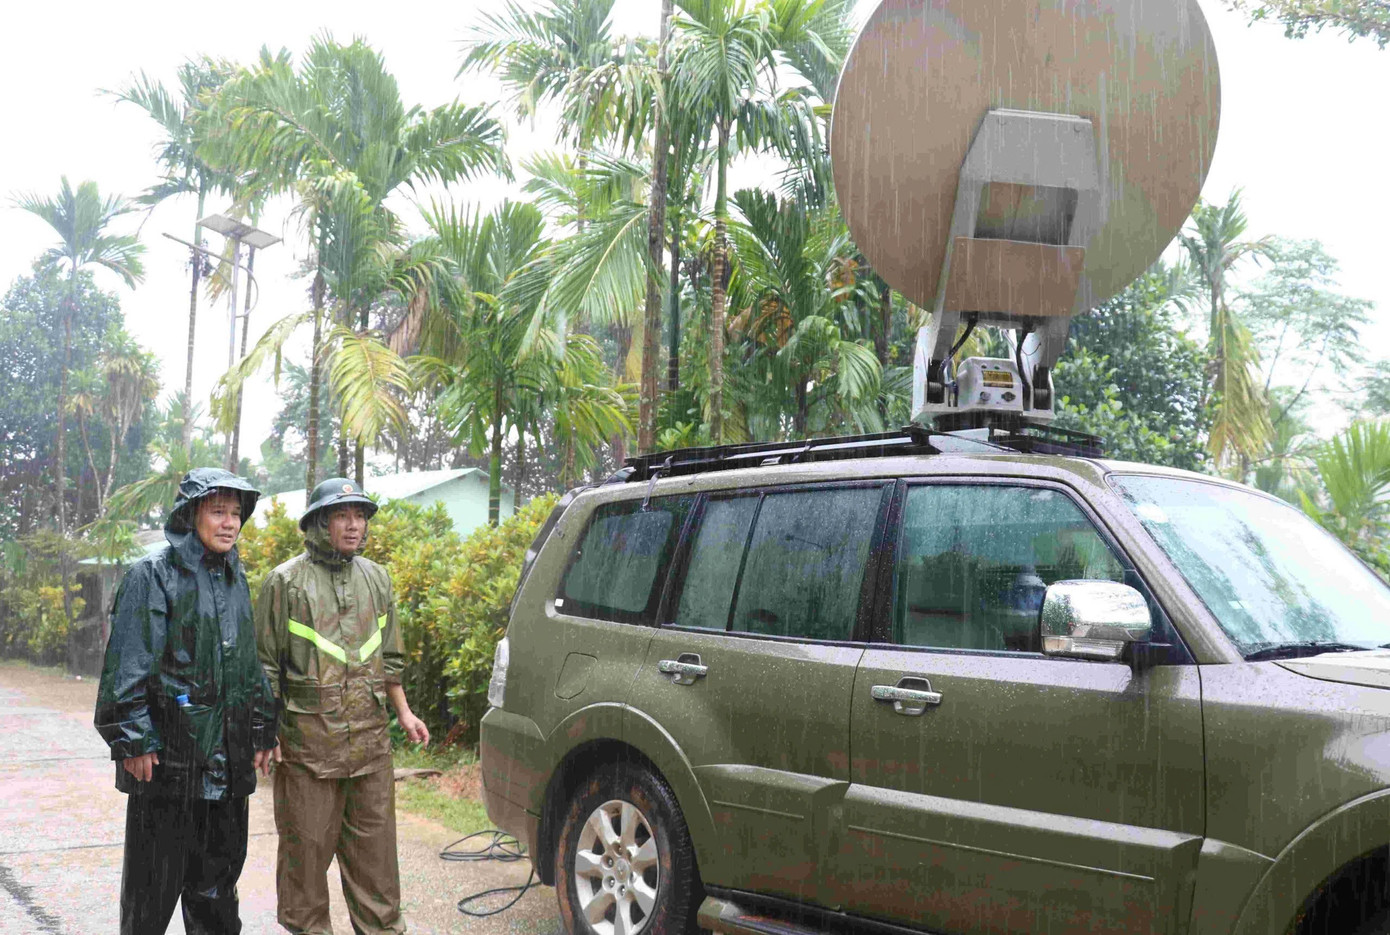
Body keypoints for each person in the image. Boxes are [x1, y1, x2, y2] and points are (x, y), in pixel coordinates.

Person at [95, 467, 279, 935]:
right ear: (191, 513)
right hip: (168, 768)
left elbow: (247, 665)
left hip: (228, 766)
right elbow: (128, 663)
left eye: (236, 514)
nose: (230, 523)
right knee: (150, 895)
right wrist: (133, 738)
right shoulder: (152, 574)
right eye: (218, 511)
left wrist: (262, 727)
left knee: (217, 894)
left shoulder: (236, 578)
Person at [256, 477, 430, 935]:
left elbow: (388, 657)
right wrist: (264, 734)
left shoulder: (377, 578)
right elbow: (265, 668)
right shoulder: (284, 582)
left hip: (371, 748)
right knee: (305, 870)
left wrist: (405, 713)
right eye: (342, 515)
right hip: (308, 751)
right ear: (318, 522)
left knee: (378, 874)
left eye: (360, 516)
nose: (354, 526)